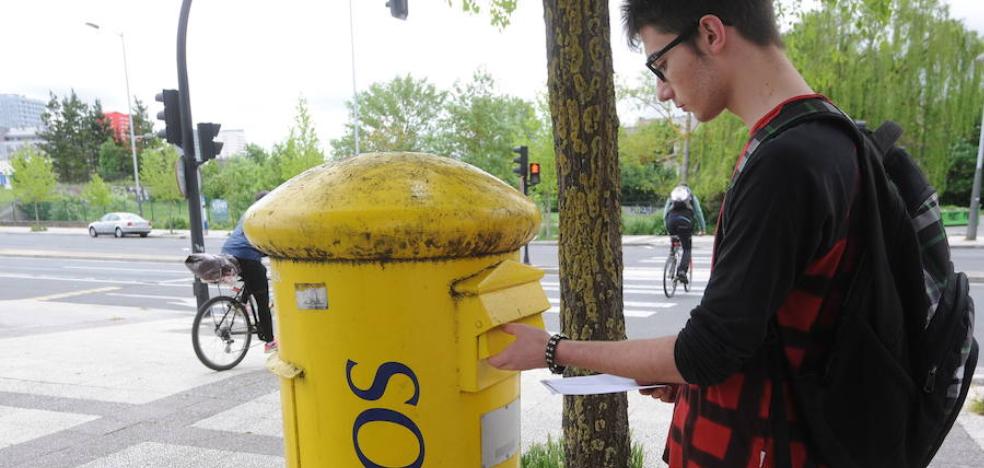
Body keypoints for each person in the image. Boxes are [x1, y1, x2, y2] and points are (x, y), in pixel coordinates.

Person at [489, 1, 862, 467]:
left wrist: (551, 348)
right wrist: (688, 373)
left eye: (661, 64)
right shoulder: (831, 137)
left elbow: (707, 351)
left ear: (710, 33)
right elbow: (768, 332)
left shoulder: (785, 163)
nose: (663, 91)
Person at [222, 191, 277, 353]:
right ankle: (269, 341)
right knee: (262, 300)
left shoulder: (248, 213)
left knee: (253, 275)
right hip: (246, 256)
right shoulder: (263, 215)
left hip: (229, 252)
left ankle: (240, 304)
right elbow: (266, 241)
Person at [662, 184, 705, 283]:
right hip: (685, 223)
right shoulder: (691, 196)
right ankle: (681, 272)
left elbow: (665, 213)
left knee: (674, 245)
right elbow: (698, 212)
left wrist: (667, 227)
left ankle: (671, 271)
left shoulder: (672, 196)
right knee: (687, 249)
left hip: (671, 222)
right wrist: (702, 229)